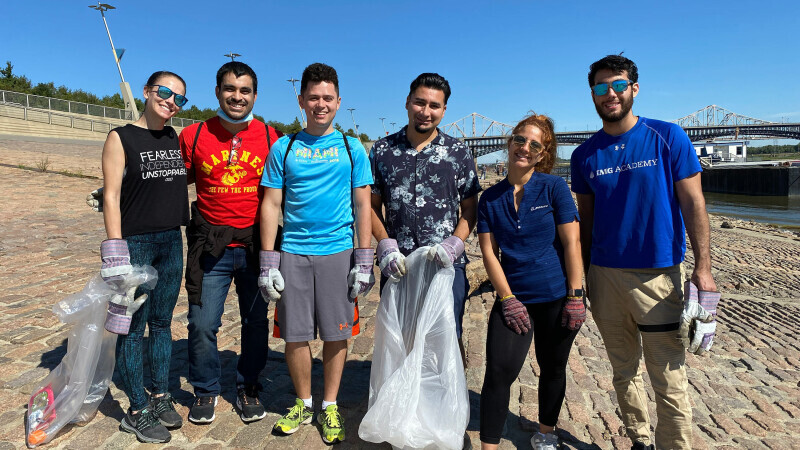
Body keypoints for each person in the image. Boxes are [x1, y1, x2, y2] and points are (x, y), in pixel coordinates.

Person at [570, 54, 717, 450]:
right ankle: (638, 440)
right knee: (623, 371)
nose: (611, 93)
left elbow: (694, 204)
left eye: (618, 84)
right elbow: (587, 222)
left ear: (634, 88)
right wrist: (580, 280)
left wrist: (703, 269)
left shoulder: (668, 136)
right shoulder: (584, 155)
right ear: (593, 95)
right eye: (601, 87)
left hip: (658, 277)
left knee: (668, 377)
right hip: (603, 278)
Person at [259, 62, 373, 445]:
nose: (320, 104)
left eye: (327, 98)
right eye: (313, 97)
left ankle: (329, 405)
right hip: (293, 252)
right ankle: (304, 402)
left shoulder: (350, 147)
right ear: (301, 100)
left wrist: (365, 259)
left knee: (337, 335)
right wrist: (268, 261)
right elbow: (272, 204)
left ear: (338, 102)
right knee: (294, 335)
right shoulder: (284, 146)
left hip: (338, 252)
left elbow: (362, 206)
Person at [180, 61, 281, 425]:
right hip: (211, 246)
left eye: (245, 91)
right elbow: (171, 181)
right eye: (230, 89)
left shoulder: (272, 138)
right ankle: (205, 390)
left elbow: (289, 190)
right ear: (217, 91)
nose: (237, 97)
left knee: (255, 322)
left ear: (254, 95)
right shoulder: (192, 135)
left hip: (255, 245)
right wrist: (121, 190)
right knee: (202, 322)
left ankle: (248, 385)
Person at [477, 113, 584, 450]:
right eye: (520, 139)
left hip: (555, 296)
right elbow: (489, 253)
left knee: (553, 368)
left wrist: (576, 295)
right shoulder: (490, 199)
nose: (524, 147)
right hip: (515, 296)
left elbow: (571, 243)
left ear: (543, 154)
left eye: (534, 145)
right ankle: (489, 445)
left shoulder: (554, 188)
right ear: (509, 143)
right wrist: (506, 298)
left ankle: (546, 434)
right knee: (498, 373)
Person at [100, 71, 190, 443]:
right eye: (165, 92)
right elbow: (110, 196)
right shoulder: (120, 137)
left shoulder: (173, 137)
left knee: (163, 323)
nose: (171, 101)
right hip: (136, 243)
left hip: (172, 240)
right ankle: (136, 409)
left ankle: (160, 395)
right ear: (148, 91)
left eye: (179, 98)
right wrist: (115, 254)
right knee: (133, 328)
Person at [370, 72, 480, 363]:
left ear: (444, 110)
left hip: (446, 266)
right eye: (420, 103)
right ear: (407, 102)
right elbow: (370, 206)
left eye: (434, 106)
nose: (426, 111)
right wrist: (384, 244)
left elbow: (471, 206)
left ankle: (446, 406)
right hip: (399, 265)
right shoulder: (382, 151)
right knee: (399, 341)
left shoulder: (458, 152)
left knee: (446, 340)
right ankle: (404, 405)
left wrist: (456, 243)